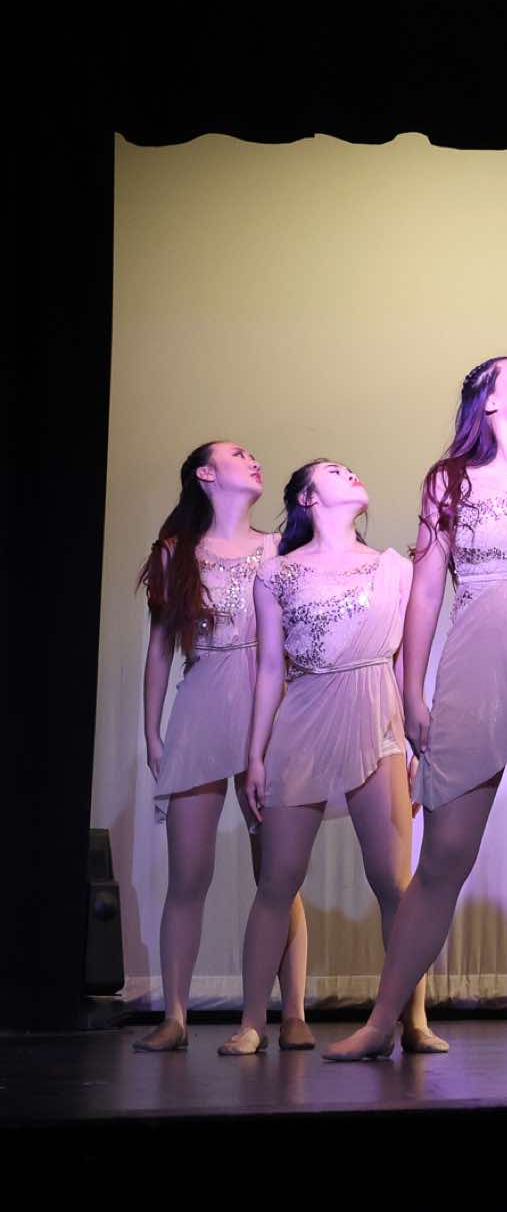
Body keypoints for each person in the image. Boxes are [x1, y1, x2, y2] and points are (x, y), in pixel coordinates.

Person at [325, 357, 507, 1061]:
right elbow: (427, 590)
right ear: (487, 402)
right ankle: (381, 1022)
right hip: (477, 663)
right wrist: (410, 690)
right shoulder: (449, 480)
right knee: (444, 856)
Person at [223, 462, 432, 1055]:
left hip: (375, 719)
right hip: (304, 723)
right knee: (277, 880)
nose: (353, 475)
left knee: (393, 882)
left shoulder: (393, 568)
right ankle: (251, 1023)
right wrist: (256, 754)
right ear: (308, 498)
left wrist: (412, 738)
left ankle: (413, 1020)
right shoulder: (277, 574)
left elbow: (404, 664)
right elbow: (270, 669)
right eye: (336, 472)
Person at [134, 441, 311, 1052]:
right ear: (207, 474)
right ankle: (175, 1015)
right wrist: (153, 732)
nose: (254, 459)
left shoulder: (279, 547)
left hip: (269, 708)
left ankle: (293, 1013)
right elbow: (160, 649)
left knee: (278, 875)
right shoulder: (176, 552)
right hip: (203, 706)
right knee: (188, 873)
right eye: (239, 454)